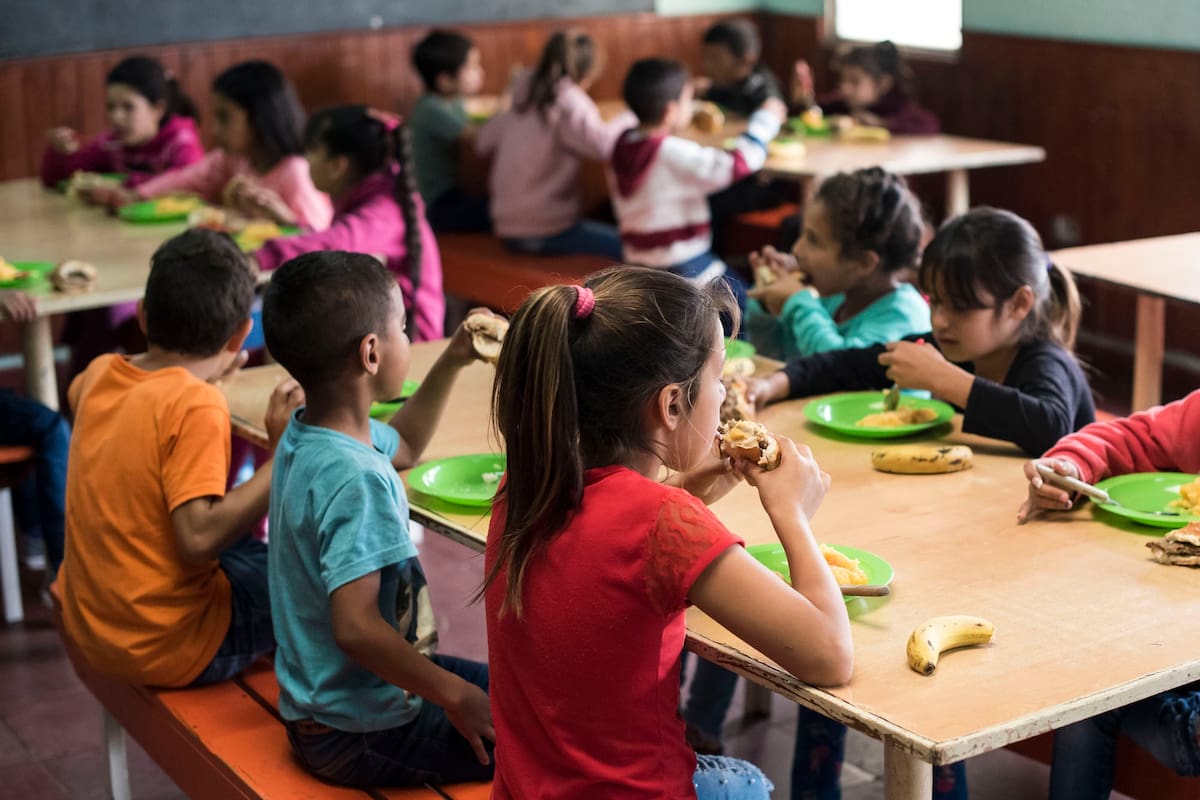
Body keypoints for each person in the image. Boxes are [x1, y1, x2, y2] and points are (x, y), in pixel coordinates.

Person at [750, 207, 1093, 800]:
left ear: (1018, 305)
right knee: (834, 642)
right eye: (934, 302)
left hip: (1047, 576)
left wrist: (947, 382)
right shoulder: (950, 346)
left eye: (960, 307)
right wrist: (774, 383)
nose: (940, 320)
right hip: (972, 540)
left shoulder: (1046, 362)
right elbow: (857, 361)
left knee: (922, 689)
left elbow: (1050, 422)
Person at [482, 266, 854, 798]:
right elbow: (829, 655)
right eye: (717, 378)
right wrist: (793, 514)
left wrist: (686, 488)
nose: (724, 395)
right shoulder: (665, 522)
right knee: (752, 783)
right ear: (672, 405)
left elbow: (611, 537)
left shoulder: (527, 481)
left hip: (526, 789)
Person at [261, 251, 497, 787]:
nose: (410, 340)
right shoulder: (356, 479)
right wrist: (454, 695)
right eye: (404, 329)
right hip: (359, 730)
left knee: (527, 698)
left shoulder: (312, 435)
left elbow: (408, 443)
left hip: (327, 705)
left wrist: (454, 358)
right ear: (371, 352)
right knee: (544, 748)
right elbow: (357, 627)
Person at [55, 229, 302, 687]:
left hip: (93, 620)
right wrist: (282, 452)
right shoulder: (195, 404)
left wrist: (200, 377)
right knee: (321, 587)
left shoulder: (97, 374)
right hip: (168, 641)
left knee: (257, 554)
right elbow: (197, 538)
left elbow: (117, 399)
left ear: (143, 316)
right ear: (241, 337)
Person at [1018, 393, 1200, 799]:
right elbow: (1134, 436)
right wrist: (1071, 467)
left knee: (1086, 696)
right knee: (1086, 687)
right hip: (1180, 640)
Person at [252, 105, 444, 342]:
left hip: (412, 344)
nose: (306, 159)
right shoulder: (379, 192)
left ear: (337, 165)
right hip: (381, 332)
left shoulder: (386, 209)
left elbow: (335, 243)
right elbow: (340, 241)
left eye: (312, 150)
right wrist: (288, 220)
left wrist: (257, 258)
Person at [608, 58, 785, 309]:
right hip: (685, 265)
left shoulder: (622, 144)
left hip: (638, 263)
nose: (692, 107)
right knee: (753, 309)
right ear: (670, 111)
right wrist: (765, 121)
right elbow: (737, 163)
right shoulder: (670, 152)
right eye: (688, 101)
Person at [476, 30, 632, 260]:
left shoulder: (522, 95)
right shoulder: (568, 100)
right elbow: (605, 145)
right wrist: (630, 115)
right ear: (588, 73)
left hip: (505, 225)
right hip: (546, 228)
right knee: (634, 250)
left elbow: (481, 143)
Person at [745, 168, 929, 359]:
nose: (796, 250)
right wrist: (767, 302)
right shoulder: (833, 299)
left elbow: (838, 372)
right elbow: (776, 361)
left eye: (814, 241)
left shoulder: (904, 318)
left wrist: (799, 304)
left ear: (864, 263)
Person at [129, 60, 332, 230]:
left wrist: (286, 220)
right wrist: (137, 195)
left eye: (224, 118)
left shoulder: (296, 172)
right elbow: (186, 179)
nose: (215, 129)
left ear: (258, 120)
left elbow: (322, 243)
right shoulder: (234, 159)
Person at [41, 55, 204, 191]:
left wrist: (124, 185)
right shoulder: (111, 144)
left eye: (128, 107)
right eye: (111, 107)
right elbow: (57, 180)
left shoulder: (181, 141)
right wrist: (59, 153)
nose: (116, 117)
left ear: (157, 109)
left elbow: (187, 182)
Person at [409, 29, 489, 233]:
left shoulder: (452, 101)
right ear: (445, 80)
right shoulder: (430, 109)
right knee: (500, 210)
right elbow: (478, 136)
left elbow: (479, 110)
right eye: (471, 67)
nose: (480, 72)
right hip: (433, 206)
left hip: (450, 194)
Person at [792, 41, 939, 134]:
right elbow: (815, 112)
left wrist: (880, 124)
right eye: (842, 80)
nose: (844, 88)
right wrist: (804, 100)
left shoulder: (898, 106)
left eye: (854, 81)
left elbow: (929, 124)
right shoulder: (842, 103)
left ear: (882, 83)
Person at [698, 18, 784, 117]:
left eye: (716, 59)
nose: (706, 66)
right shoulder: (725, 84)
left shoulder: (766, 97)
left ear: (746, 61)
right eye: (705, 58)